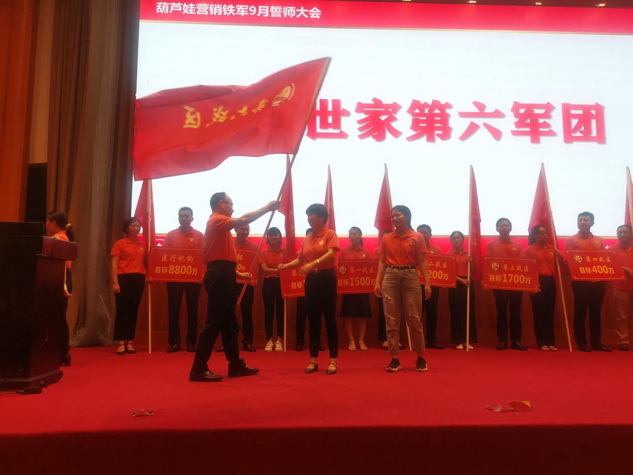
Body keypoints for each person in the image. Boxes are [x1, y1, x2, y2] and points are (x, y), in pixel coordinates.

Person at [190, 193, 278, 382]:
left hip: (224, 274)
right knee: (214, 321)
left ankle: (236, 365)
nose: (233, 208)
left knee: (230, 323)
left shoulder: (221, 228)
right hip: (220, 276)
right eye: (231, 204)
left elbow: (217, 257)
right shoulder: (217, 220)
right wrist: (267, 208)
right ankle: (198, 368)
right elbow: (243, 220)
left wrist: (236, 274)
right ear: (221, 203)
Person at [279, 204, 340, 375]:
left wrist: (313, 264)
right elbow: (300, 259)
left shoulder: (330, 234)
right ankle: (313, 359)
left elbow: (332, 253)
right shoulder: (307, 238)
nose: (309, 218)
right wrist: (286, 266)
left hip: (326, 278)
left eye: (313, 215)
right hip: (311, 281)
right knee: (313, 320)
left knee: (329, 319)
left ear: (322, 217)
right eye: (308, 215)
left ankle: (333, 360)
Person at [374, 205, 431, 373]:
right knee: (391, 318)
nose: (394, 218)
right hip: (390, 276)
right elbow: (382, 261)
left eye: (398, 215)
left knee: (414, 317)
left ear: (407, 217)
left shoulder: (417, 237)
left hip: (410, 275)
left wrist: (427, 283)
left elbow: (422, 261)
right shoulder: (387, 238)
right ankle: (394, 357)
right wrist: (377, 282)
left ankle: (420, 356)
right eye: (393, 216)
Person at [565, 211, 611, 352]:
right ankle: (581, 342)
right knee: (580, 312)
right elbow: (571, 262)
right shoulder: (572, 240)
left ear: (592, 223)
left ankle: (596, 342)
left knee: (596, 313)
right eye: (580, 220)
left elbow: (602, 260)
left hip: (598, 281)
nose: (583, 222)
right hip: (581, 282)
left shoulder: (599, 240)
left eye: (586, 220)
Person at [164, 207, 204, 354]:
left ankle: (191, 342)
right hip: (174, 279)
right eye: (181, 216)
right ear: (178, 218)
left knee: (193, 311)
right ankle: (175, 343)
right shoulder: (171, 235)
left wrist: (201, 275)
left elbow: (203, 257)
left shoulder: (199, 235)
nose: (184, 218)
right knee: (173, 311)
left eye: (187, 216)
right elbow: (165, 256)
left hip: (193, 279)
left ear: (192, 218)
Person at [485, 218, 526, 351]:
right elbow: (488, 262)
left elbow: (523, 264)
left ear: (510, 228)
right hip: (499, 284)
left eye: (506, 225)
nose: (504, 228)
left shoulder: (517, 245)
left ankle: (516, 340)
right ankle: (502, 340)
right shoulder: (491, 245)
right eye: (501, 226)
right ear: (497, 229)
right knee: (501, 313)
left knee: (516, 313)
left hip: (516, 284)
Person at [110, 217, 146, 356]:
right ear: (127, 228)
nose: (136, 228)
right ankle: (120, 341)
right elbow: (114, 264)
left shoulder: (142, 245)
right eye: (133, 226)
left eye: (138, 226)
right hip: (123, 278)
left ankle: (129, 341)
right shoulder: (120, 244)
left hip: (138, 279)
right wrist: (115, 282)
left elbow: (146, 262)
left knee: (133, 311)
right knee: (122, 310)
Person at [525, 226, 564, 351]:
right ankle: (541, 341)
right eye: (541, 233)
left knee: (550, 312)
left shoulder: (552, 249)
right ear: (535, 236)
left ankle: (551, 341)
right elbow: (527, 269)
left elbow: (558, 266)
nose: (545, 235)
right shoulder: (530, 250)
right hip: (537, 281)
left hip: (550, 281)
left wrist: (561, 257)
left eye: (546, 233)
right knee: (539, 312)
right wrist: (531, 286)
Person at [45, 210, 75, 366]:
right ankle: (62, 352)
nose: (46, 225)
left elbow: (57, 264)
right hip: (61, 277)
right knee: (58, 316)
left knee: (56, 316)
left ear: (54, 223)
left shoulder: (57, 239)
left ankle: (60, 352)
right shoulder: (62, 238)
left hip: (58, 278)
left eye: (47, 222)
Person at [340, 227, 372, 351]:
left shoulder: (366, 252)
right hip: (348, 288)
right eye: (350, 234)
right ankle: (351, 339)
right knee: (349, 314)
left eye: (354, 234)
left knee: (363, 314)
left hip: (362, 288)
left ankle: (361, 339)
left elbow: (370, 270)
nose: (352, 236)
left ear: (360, 236)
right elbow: (341, 269)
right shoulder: (344, 251)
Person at [446, 231, 477, 350]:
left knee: (468, 312)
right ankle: (458, 340)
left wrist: (471, 262)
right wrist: (461, 280)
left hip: (468, 283)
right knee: (456, 312)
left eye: (459, 238)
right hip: (455, 284)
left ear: (463, 240)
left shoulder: (468, 254)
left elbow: (473, 271)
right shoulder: (448, 255)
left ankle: (467, 340)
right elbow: (448, 272)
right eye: (454, 238)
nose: (456, 240)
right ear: (451, 241)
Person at [231, 223, 258, 352]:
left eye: (247, 229)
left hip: (247, 284)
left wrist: (253, 280)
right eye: (242, 229)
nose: (245, 232)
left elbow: (256, 266)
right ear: (236, 229)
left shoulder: (254, 247)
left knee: (247, 313)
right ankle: (229, 342)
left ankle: (247, 341)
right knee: (229, 313)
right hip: (231, 282)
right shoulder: (229, 245)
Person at [417, 224, 443, 349]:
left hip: (433, 286)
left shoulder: (436, 250)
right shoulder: (411, 249)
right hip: (416, 285)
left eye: (425, 232)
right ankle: (417, 341)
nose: (422, 235)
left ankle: (431, 340)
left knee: (432, 313)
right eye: (420, 232)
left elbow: (442, 267)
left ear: (430, 235)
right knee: (417, 314)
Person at [260, 227, 285, 352]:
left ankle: (280, 340)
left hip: (282, 283)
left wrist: (280, 271)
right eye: (271, 235)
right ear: (268, 238)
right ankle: (269, 340)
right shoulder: (263, 252)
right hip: (268, 283)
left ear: (280, 236)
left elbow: (289, 267)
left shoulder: (285, 251)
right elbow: (264, 269)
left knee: (281, 312)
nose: (273, 237)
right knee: (268, 312)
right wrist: (278, 270)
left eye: (275, 235)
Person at [611, 224, 633, 351]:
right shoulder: (612, 250)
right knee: (622, 316)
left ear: (631, 234)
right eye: (620, 232)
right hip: (620, 286)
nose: (622, 234)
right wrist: (628, 271)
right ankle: (623, 340)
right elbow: (611, 265)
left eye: (625, 232)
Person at [374, 229, 393, 350]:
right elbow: (381, 265)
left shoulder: (398, 249)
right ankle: (385, 338)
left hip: (397, 282)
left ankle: (395, 338)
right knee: (384, 311)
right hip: (382, 283)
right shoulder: (377, 251)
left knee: (396, 312)